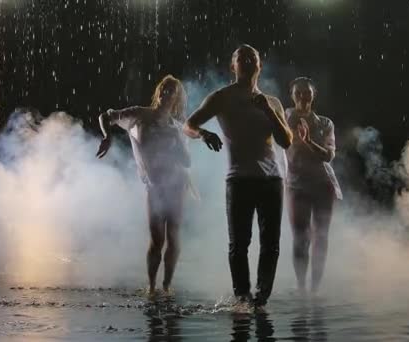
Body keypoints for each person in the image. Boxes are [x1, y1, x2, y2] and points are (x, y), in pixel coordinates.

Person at [183, 44, 293, 311]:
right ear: (233, 66)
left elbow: (286, 141)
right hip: (239, 179)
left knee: (271, 244)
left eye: (251, 57)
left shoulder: (272, 102)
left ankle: (261, 298)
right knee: (239, 244)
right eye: (240, 58)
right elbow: (189, 125)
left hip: (271, 180)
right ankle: (242, 298)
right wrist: (205, 134)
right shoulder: (221, 97)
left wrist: (268, 110)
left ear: (259, 65)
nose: (246, 61)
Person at [96, 75, 190, 296]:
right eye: (164, 90)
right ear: (158, 92)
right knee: (157, 239)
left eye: (172, 92)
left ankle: (166, 286)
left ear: (176, 99)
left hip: (177, 184)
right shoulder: (140, 115)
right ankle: (151, 286)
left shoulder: (176, 126)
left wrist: (177, 138)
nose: (167, 94)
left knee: (174, 236)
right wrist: (107, 136)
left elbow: (186, 162)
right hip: (155, 186)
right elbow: (105, 116)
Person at [284, 77, 342, 294]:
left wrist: (308, 141)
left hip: (322, 184)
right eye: (298, 92)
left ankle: (315, 289)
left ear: (313, 95)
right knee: (300, 237)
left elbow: (328, 156)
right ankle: (301, 289)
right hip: (296, 184)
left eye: (306, 92)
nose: (302, 96)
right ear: (292, 95)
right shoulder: (283, 118)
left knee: (321, 236)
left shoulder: (325, 123)